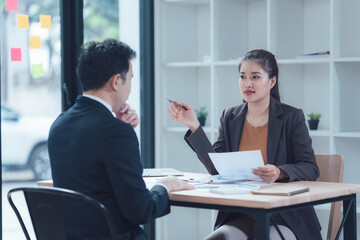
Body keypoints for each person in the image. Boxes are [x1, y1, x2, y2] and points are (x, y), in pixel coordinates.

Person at [48, 39, 194, 240]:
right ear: (117, 81)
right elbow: (140, 210)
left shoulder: (59, 125)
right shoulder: (116, 132)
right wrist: (164, 186)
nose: (130, 89)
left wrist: (117, 125)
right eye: (130, 80)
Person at [168, 49, 322, 239]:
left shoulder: (292, 117)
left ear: (271, 82)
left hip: (283, 216)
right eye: (243, 77)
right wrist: (194, 126)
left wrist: (279, 172)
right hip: (242, 214)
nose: (247, 83)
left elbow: (310, 168)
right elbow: (216, 169)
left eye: (255, 77)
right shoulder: (230, 116)